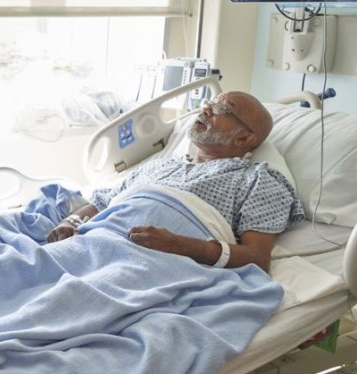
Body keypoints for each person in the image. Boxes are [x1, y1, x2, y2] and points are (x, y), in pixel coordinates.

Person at [48, 92, 304, 273]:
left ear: (244, 138)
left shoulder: (258, 180)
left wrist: (179, 245)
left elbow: (257, 259)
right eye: (209, 103)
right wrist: (70, 223)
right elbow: (102, 201)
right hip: (90, 243)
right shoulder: (163, 164)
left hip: (144, 264)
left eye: (222, 110)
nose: (206, 110)